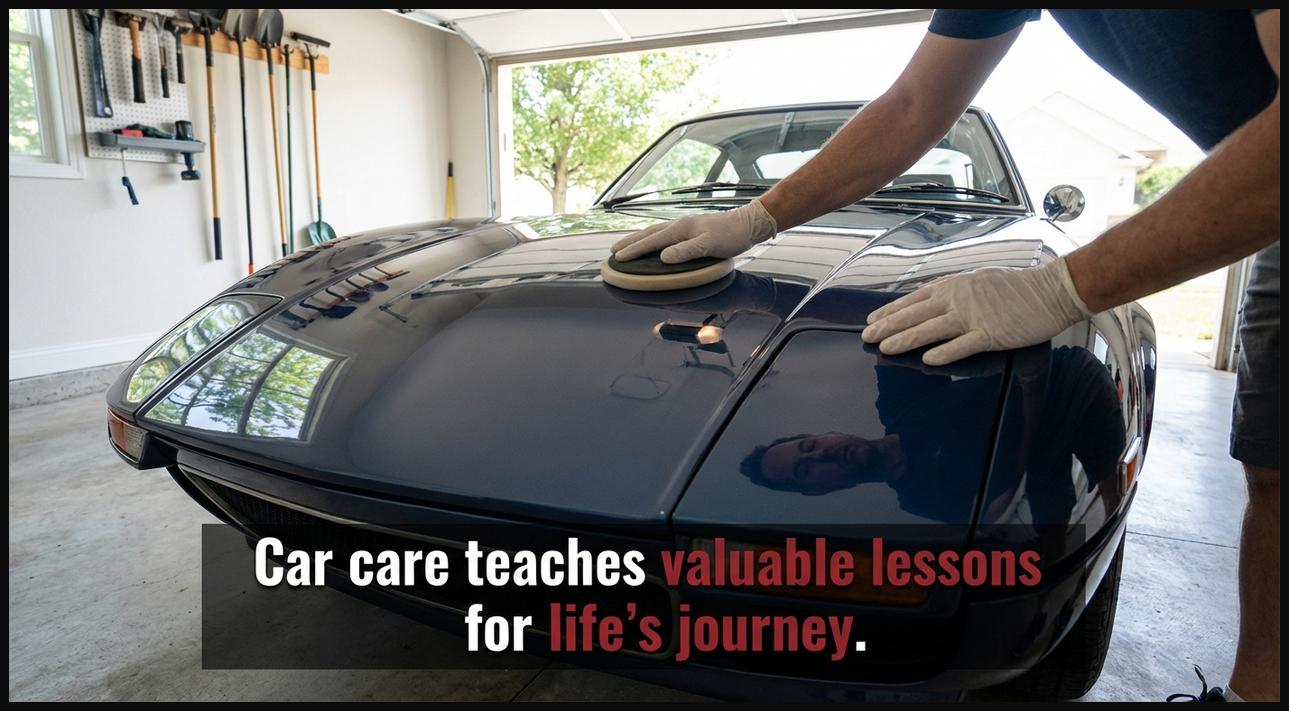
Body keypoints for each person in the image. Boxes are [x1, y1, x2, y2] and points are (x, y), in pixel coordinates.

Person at [612, 10, 1279, 701]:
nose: (819, 453)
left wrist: (1065, 283)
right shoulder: (907, 472)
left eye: (805, 448)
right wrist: (755, 219)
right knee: (1273, 465)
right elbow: (911, 106)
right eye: (809, 466)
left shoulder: (909, 449)